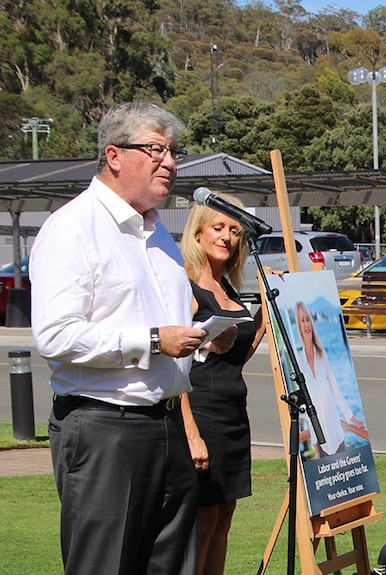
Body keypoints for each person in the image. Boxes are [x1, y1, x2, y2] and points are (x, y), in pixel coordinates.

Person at [30, 102, 209, 574]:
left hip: (168, 425)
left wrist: (206, 340)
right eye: (155, 149)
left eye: (173, 151)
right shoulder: (72, 228)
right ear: (113, 155)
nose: (169, 162)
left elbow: (165, 322)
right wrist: (154, 340)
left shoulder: (159, 235)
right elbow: (56, 335)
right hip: (104, 427)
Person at [179, 195, 269, 575]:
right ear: (198, 232)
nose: (228, 238)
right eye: (219, 228)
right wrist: (192, 435)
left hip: (234, 417)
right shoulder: (184, 288)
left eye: (235, 231)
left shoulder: (229, 290)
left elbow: (233, 358)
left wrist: (264, 317)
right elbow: (175, 370)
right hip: (202, 416)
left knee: (224, 521)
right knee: (202, 525)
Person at [294, 301, 367, 458]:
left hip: (336, 434)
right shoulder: (299, 361)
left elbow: (336, 390)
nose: (306, 324)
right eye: (302, 320)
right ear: (299, 325)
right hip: (320, 439)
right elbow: (308, 404)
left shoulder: (322, 354)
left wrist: (352, 418)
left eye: (308, 319)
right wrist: (314, 440)